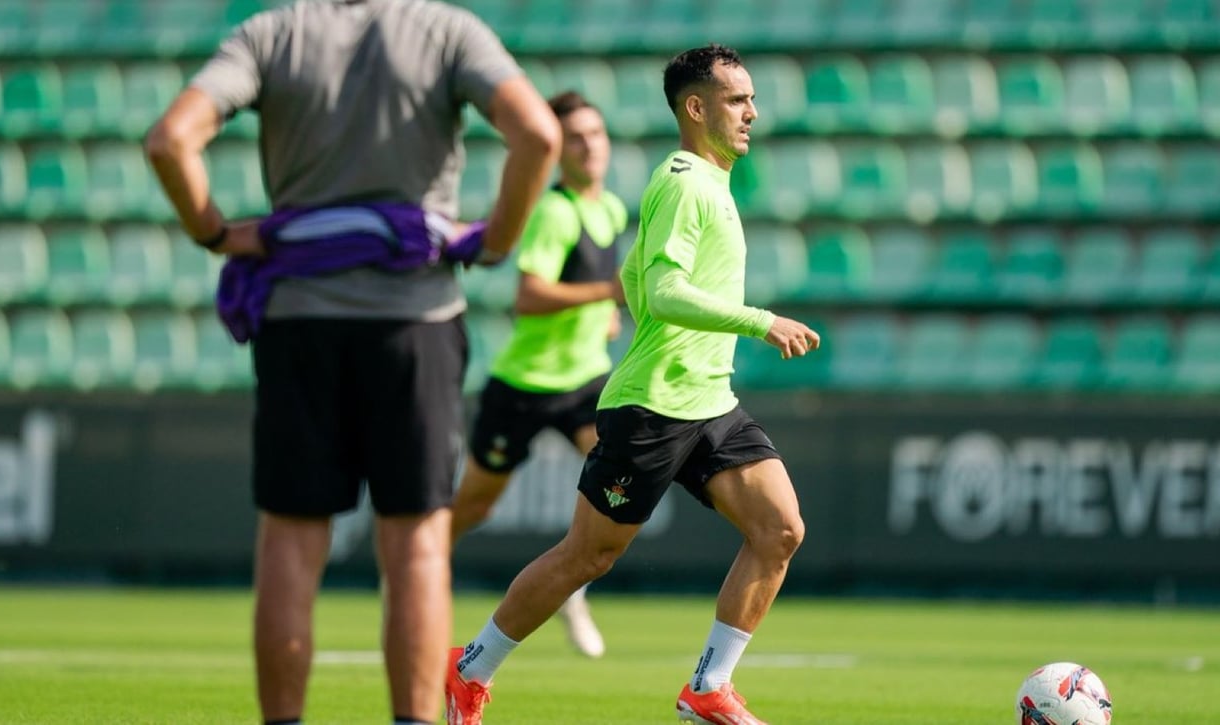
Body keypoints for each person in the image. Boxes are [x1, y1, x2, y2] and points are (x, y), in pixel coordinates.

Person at [143, 1, 561, 723]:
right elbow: (538, 133)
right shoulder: (446, 30)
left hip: (299, 321)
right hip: (416, 323)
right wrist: (494, 242)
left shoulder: (271, 32)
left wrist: (215, 233)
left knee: (292, 536)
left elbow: (170, 140)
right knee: (418, 543)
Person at [444, 44, 821, 725]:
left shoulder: (706, 183)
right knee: (588, 555)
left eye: (752, 99)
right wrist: (761, 321)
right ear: (696, 107)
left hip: (711, 401)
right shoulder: (682, 180)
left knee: (780, 529)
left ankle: (709, 687)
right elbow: (670, 289)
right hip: (652, 406)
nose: (752, 113)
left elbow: (639, 280)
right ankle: (469, 668)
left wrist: (647, 307)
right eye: (738, 100)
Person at [451, 90, 627, 659]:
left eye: (594, 133)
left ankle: (568, 586)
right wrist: (605, 295)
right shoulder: (554, 212)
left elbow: (590, 285)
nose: (588, 145)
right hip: (525, 385)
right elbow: (529, 296)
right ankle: (414, 566)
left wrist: (601, 315)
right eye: (574, 136)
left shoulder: (612, 209)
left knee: (618, 479)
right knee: (474, 505)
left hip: (586, 383)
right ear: (557, 150)